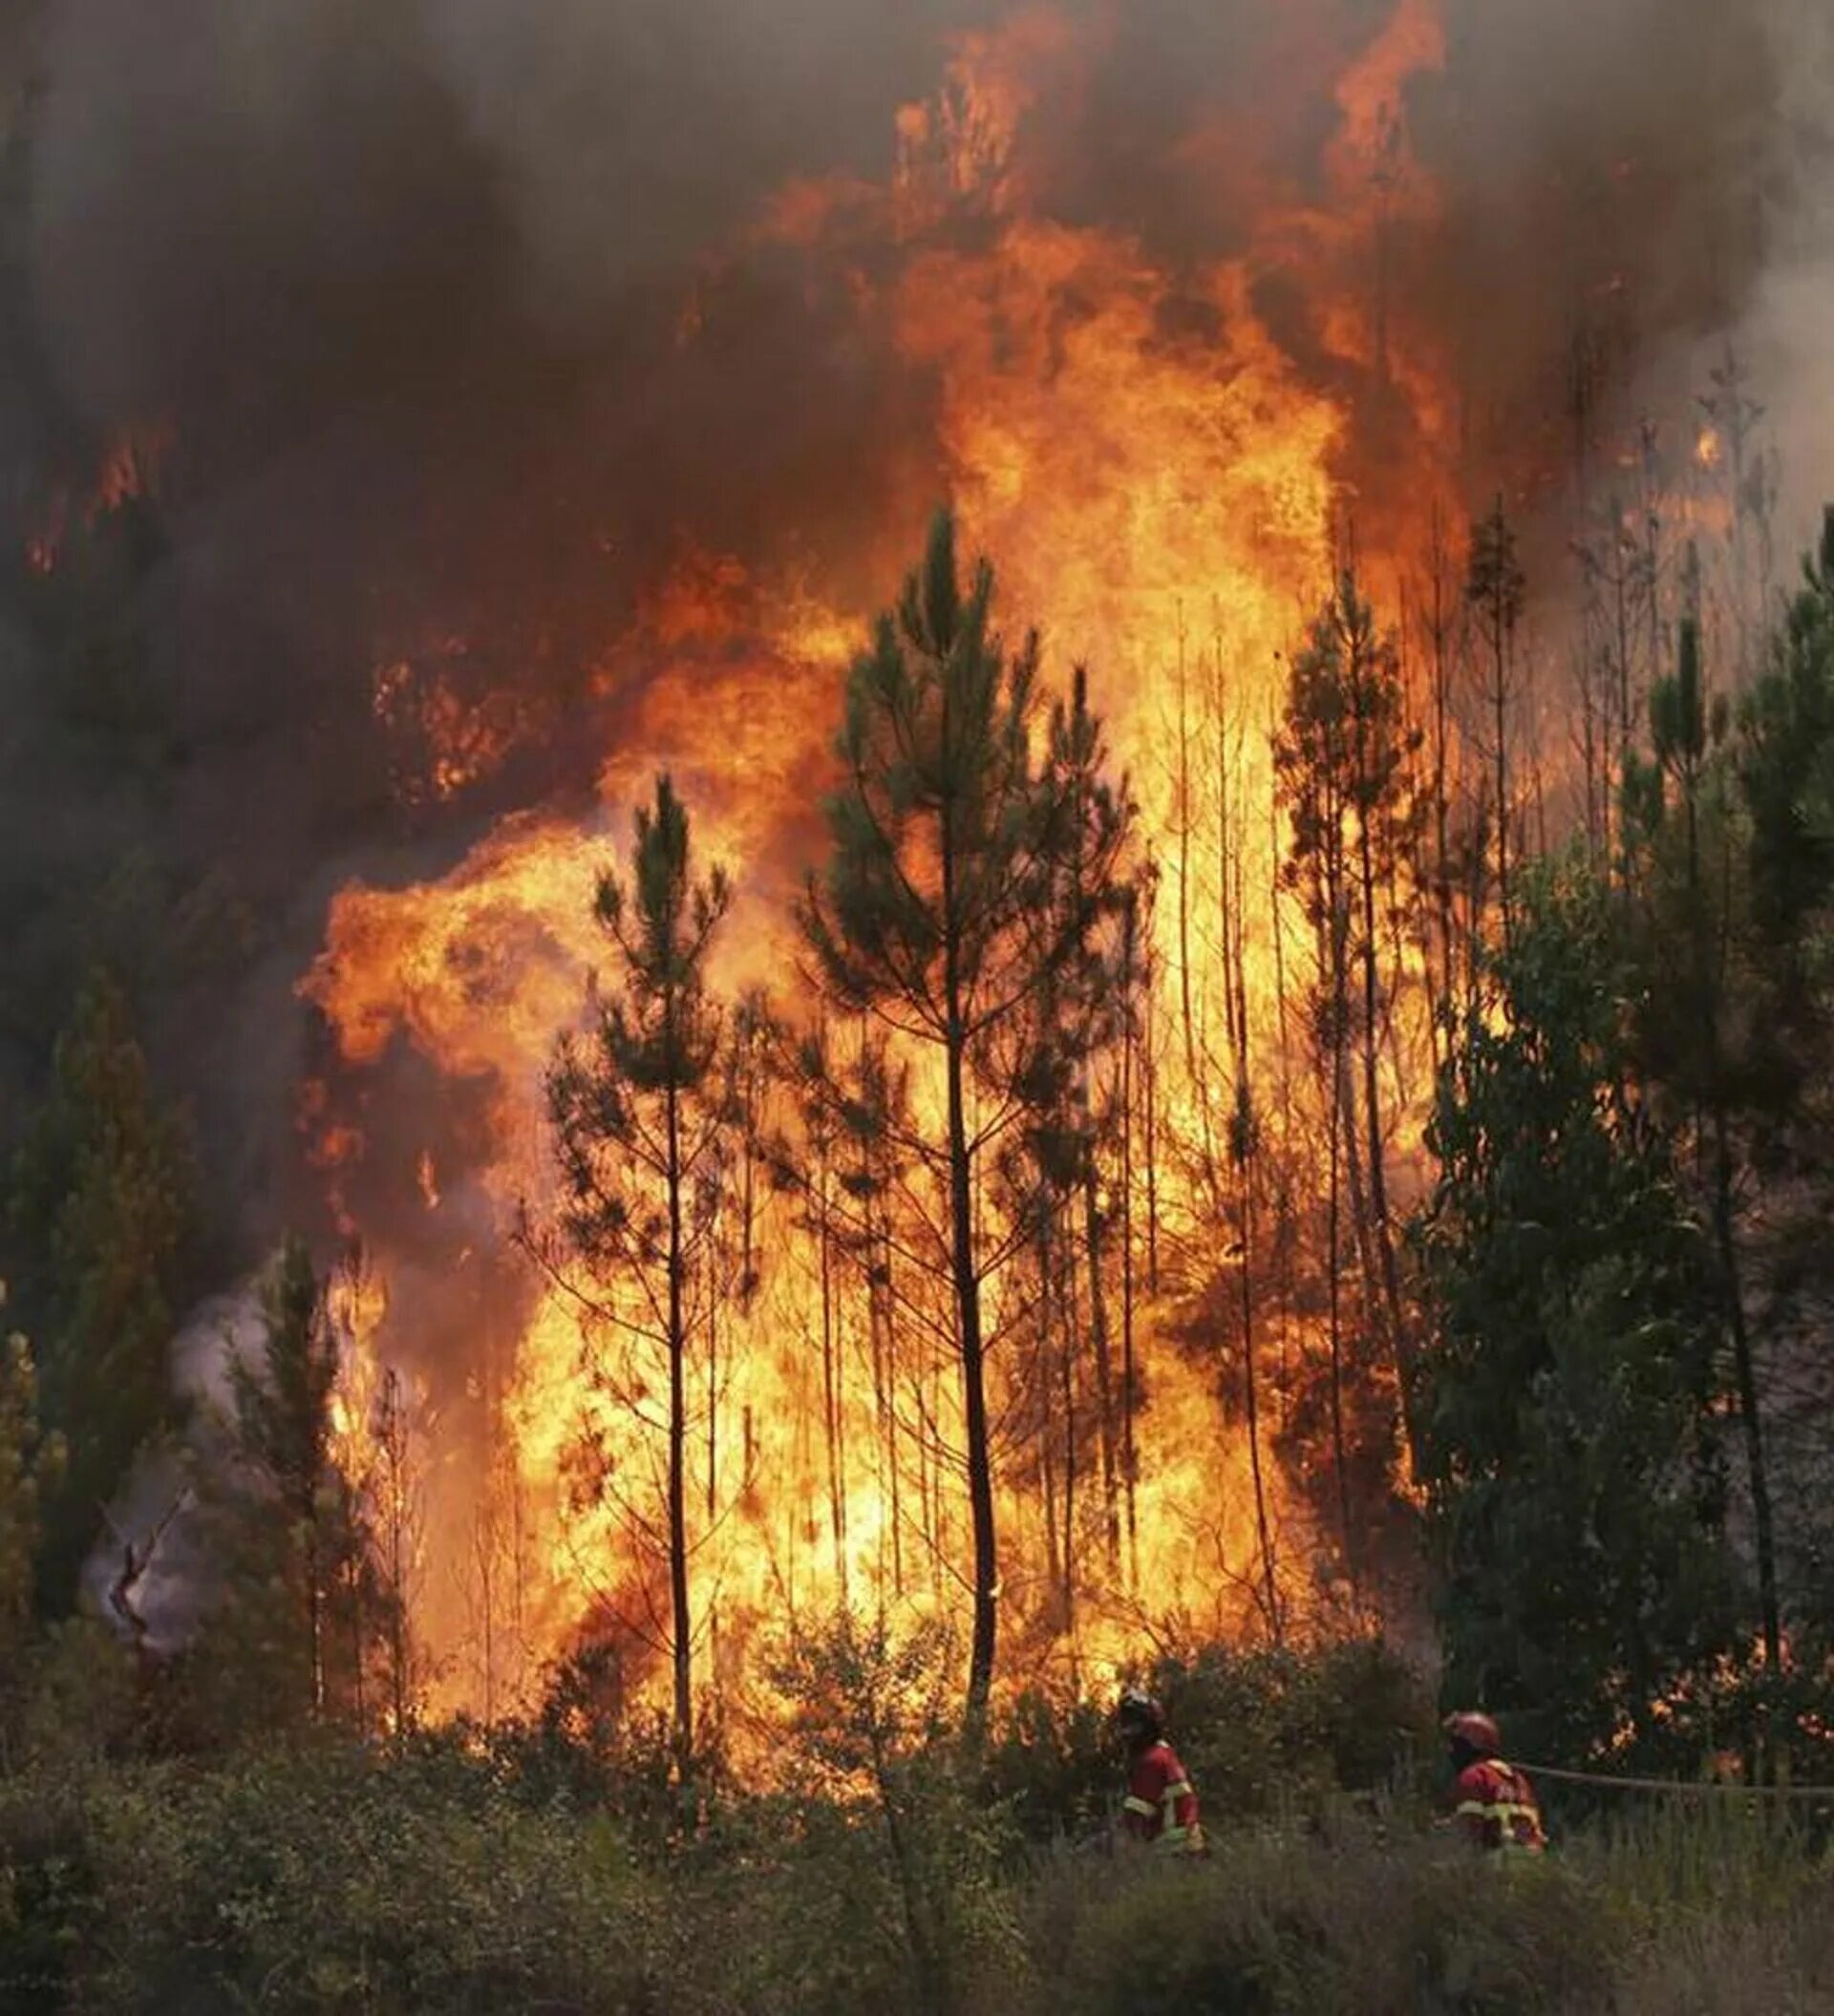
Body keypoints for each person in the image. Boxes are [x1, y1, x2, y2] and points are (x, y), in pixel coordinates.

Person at [1442, 1710, 1546, 1857]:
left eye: (1455, 1744)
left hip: (1497, 1869)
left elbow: (1469, 1836)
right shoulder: (1519, 1780)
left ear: (1470, 1745)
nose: (1450, 1750)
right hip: (1533, 1869)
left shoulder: (1474, 1776)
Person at [1114, 1687, 1205, 1854]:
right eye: (1125, 1724)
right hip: (1190, 1850)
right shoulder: (1164, 1753)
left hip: (1173, 1855)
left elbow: (1136, 1820)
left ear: (1149, 1726)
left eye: (1134, 1725)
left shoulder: (1151, 1762)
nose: (1128, 1731)